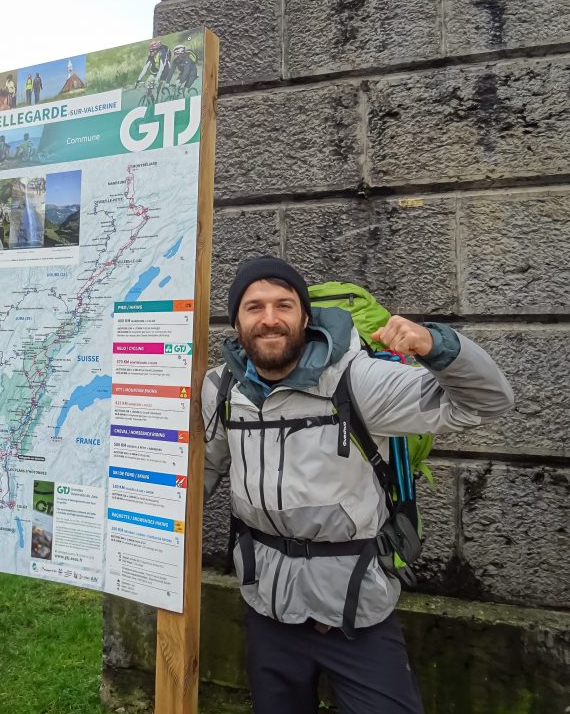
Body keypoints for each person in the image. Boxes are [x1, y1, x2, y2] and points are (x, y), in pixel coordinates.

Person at [201, 256, 514, 714]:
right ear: (236, 321)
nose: (270, 319)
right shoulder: (222, 388)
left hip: (354, 612)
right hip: (267, 605)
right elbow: (203, 468)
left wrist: (438, 345)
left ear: (304, 317)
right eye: (254, 307)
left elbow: (486, 403)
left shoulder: (358, 380)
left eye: (284, 305)